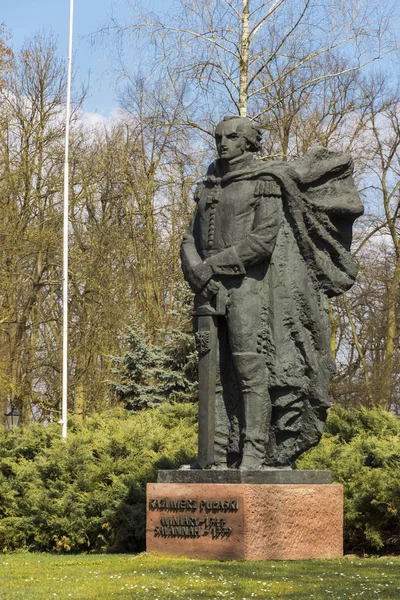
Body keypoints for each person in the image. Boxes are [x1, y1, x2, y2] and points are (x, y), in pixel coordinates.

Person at [181, 115, 363, 470]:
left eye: (232, 137)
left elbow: (263, 240)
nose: (223, 143)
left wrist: (213, 265)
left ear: (249, 143)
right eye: (219, 137)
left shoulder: (264, 182)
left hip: (248, 290)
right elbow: (189, 236)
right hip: (207, 290)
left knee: (250, 372)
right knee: (214, 375)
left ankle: (254, 453)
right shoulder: (208, 186)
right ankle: (217, 455)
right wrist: (196, 269)